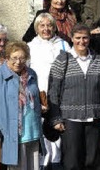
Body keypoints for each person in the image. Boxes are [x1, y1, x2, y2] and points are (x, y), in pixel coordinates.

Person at [48, 24, 100, 170]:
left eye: (85, 38)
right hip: (70, 119)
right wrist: (56, 118)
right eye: (78, 38)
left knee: (91, 161)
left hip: (94, 118)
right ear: (72, 39)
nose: (81, 41)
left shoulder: (98, 61)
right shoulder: (62, 60)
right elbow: (53, 91)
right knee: (72, 162)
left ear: (89, 39)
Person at [0, 41, 43, 170]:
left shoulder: (32, 74)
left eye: (22, 58)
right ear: (7, 57)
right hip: (11, 135)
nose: (18, 62)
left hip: (33, 132)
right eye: (14, 58)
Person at [27, 12, 68, 169]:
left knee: (58, 136)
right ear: (36, 28)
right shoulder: (30, 47)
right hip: (39, 97)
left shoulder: (63, 45)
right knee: (42, 135)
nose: (46, 29)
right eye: (42, 25)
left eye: (49, 25)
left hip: (61, 98)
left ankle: (57, 164)